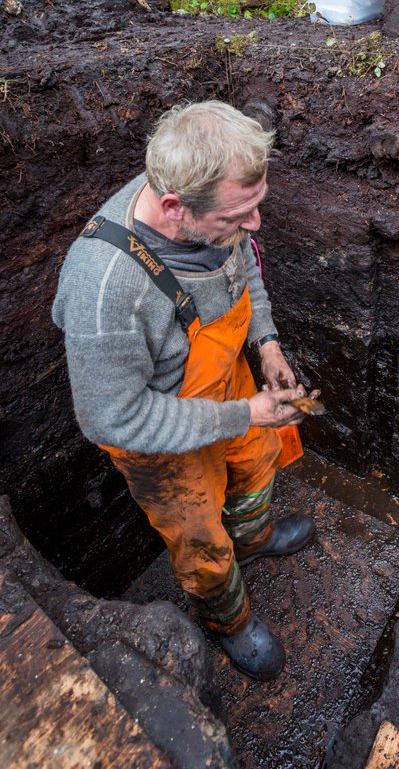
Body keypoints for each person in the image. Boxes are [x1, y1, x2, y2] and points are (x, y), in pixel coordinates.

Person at [52, 100, 315, 682]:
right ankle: (229, 619)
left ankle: (256, 535)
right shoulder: (107, 289)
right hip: (158, 440)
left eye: (257, 207)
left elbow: (242, 263)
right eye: (239, 215)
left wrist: (267, 344)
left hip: (229, 393)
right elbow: (110, 418)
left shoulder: (208, 205)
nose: (255, 227)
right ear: (173, 207)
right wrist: (244, 412)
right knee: (202, 545)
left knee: (257, 461)